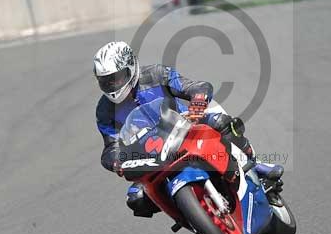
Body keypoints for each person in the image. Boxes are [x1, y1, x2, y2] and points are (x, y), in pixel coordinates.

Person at [93, 41, 284, 217]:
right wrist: (117, 161)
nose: (113, 85)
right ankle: (190, 212)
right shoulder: (104, 111)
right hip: (150, 155)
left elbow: (194, 86)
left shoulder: (156, 75)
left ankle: (256, 166)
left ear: (131, 68)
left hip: (187, 126)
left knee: (221, 122)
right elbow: (111, 147)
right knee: (137, 199)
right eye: (106, 81)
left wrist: (199, 98)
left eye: (117, 78)